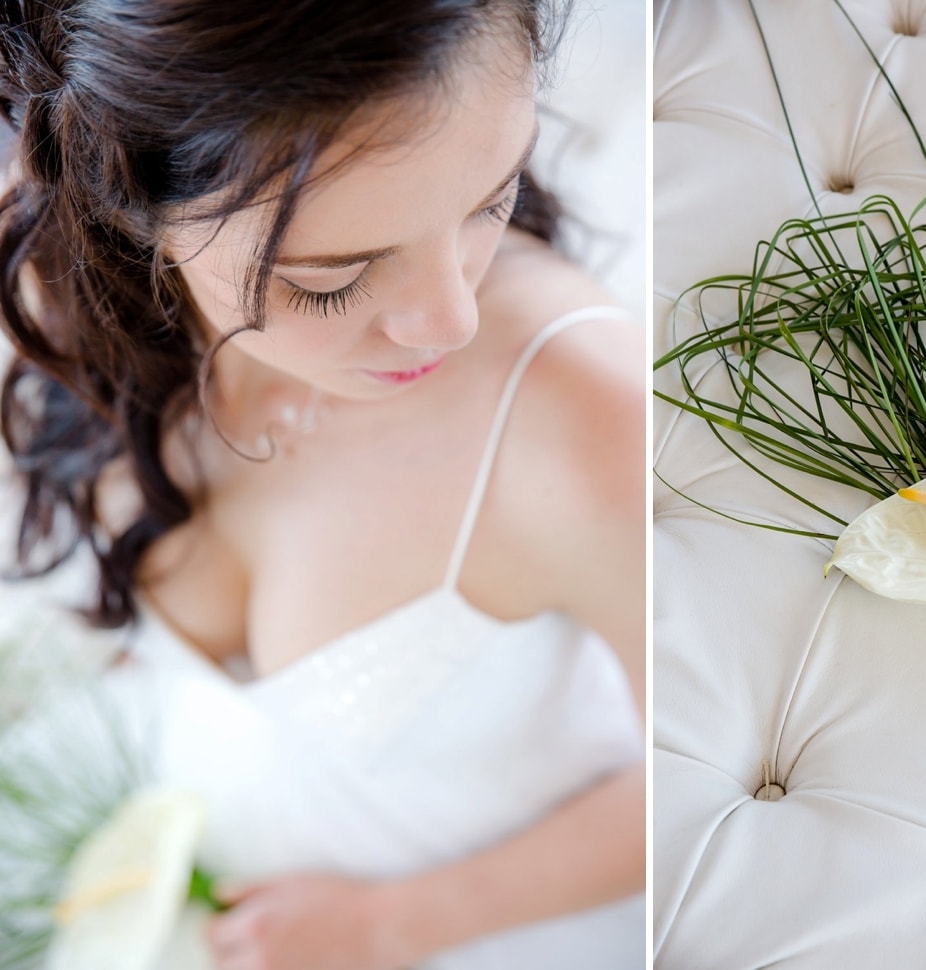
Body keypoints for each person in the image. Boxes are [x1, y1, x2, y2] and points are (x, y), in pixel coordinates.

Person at [0, 1, 645, 968]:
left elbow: (698, 770)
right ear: (131, 209)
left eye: (491, 197)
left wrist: (395, 924)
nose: (452, 317)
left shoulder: (585, 414)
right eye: (332, 280)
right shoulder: (71, 302)